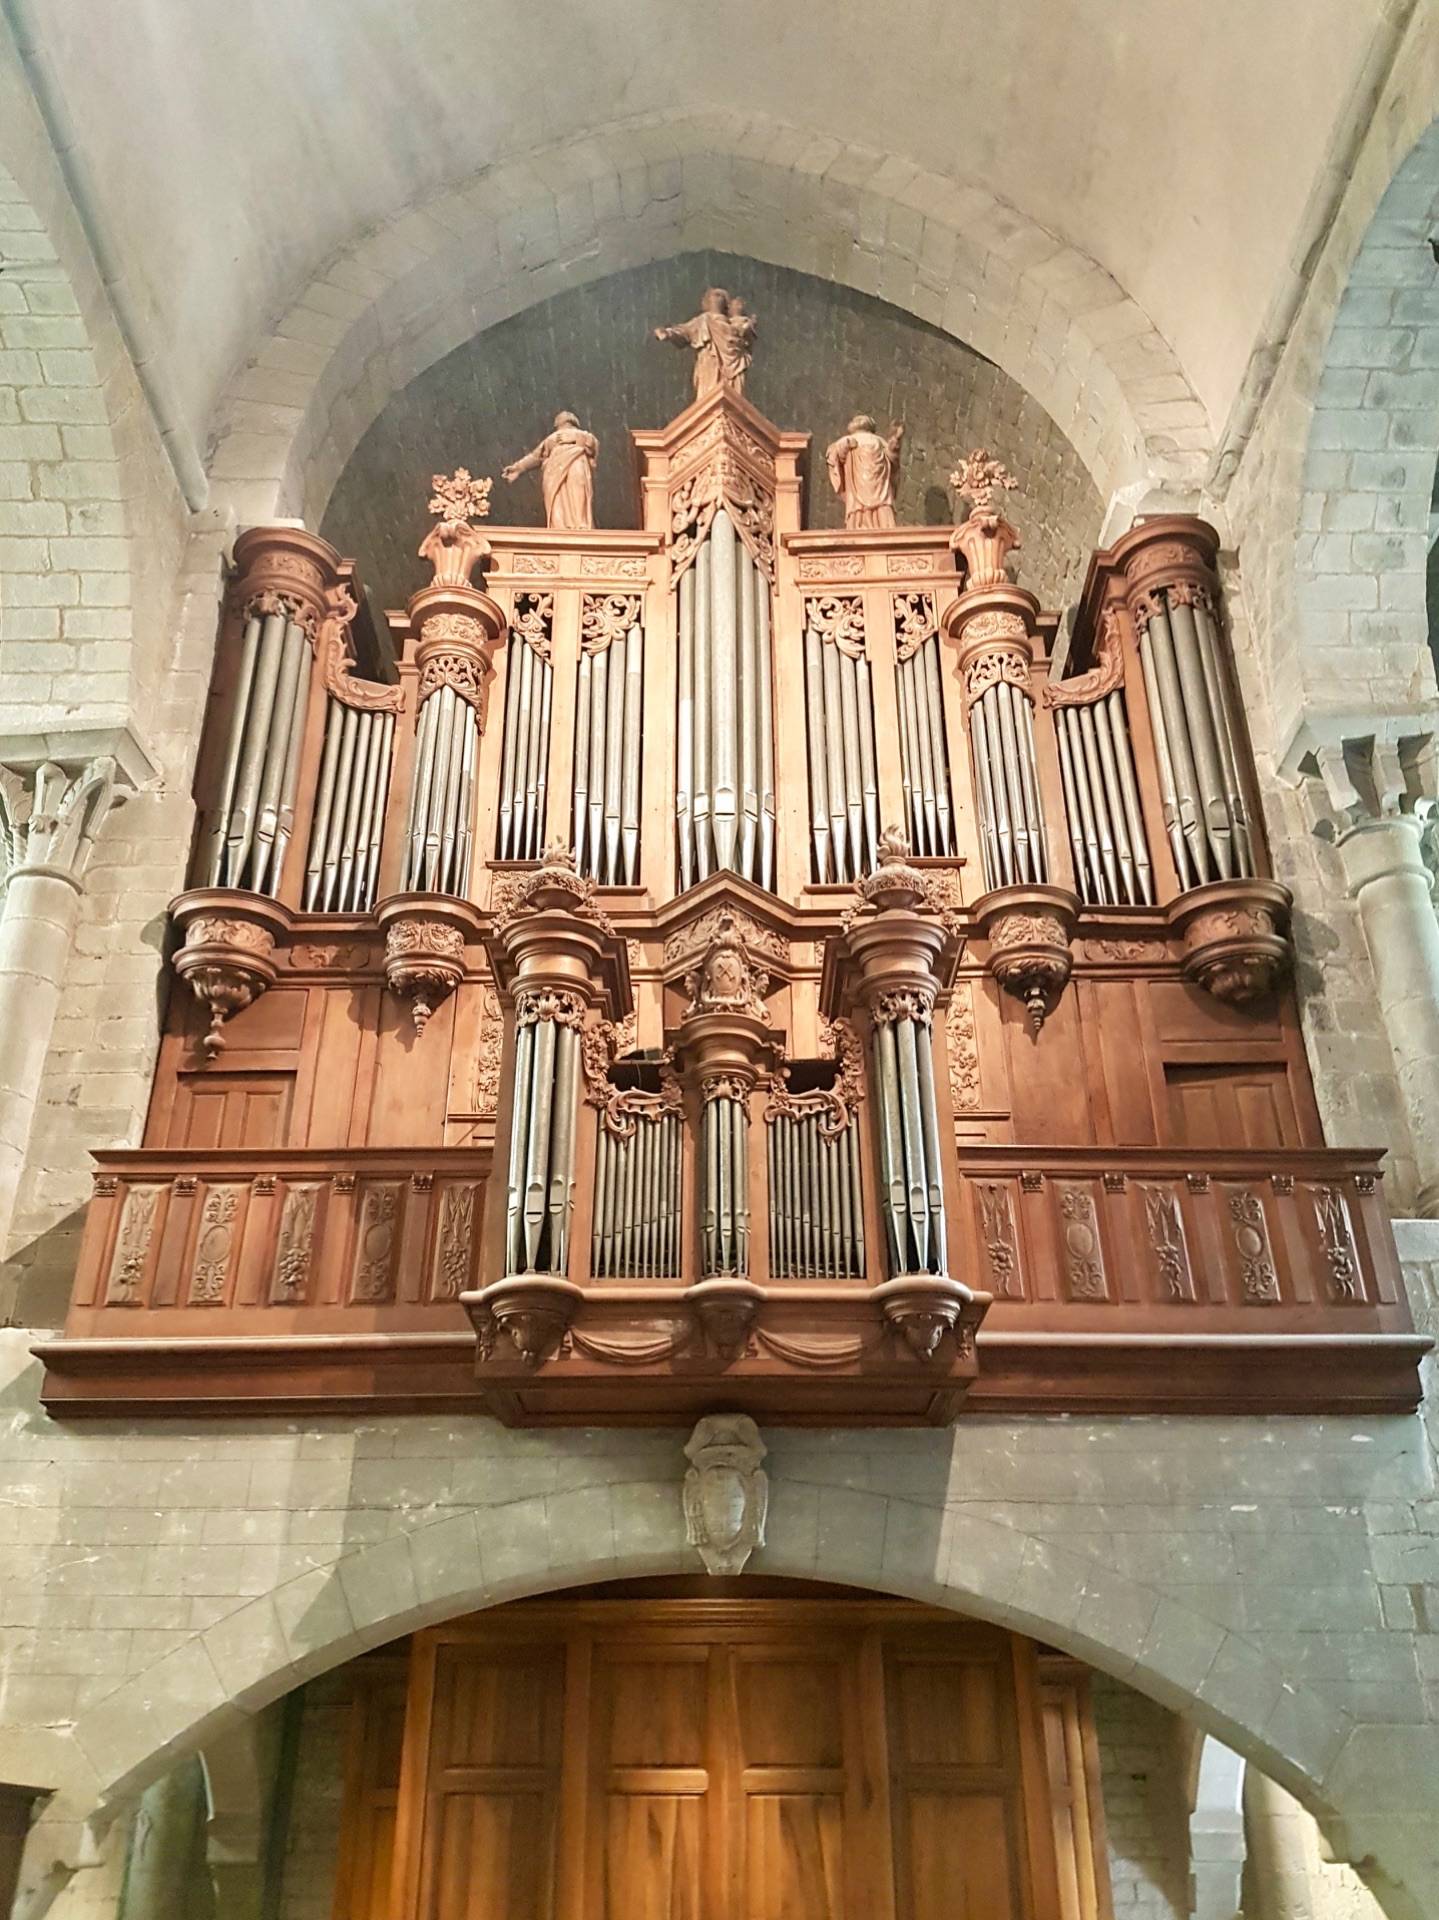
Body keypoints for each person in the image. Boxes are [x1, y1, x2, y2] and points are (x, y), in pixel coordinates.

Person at [501, 411, 598, 530]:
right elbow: (536, 456)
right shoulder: (551, 439)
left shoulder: (582, 434)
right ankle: (561, 527)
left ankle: (580, 524)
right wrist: (518, 468)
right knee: (558, 501)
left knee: (577, 492)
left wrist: (577, 439)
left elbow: (593, 445)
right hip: (554, 473)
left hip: (576, 466)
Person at [653, 288, 755, 399]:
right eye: (715, 295)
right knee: (710, 394)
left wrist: (747, 324)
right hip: (710, 362)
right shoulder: (704, 320)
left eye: (720, 295)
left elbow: (745, 336)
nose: (717, 298)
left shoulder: (734, 324)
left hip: (734, 366)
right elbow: (685, 331)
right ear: (707, 302)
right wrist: (668, 333)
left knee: (734, 398)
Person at [825, 414, 905, 529]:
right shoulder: (880, 442)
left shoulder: (847, 440)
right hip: (880, 490)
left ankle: (858, 524)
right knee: (882, 513)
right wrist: (895, 442)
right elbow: (892, 457)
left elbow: (834, 456)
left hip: (857, 494)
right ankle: (883, 525)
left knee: (858, 512)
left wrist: (845, 447)